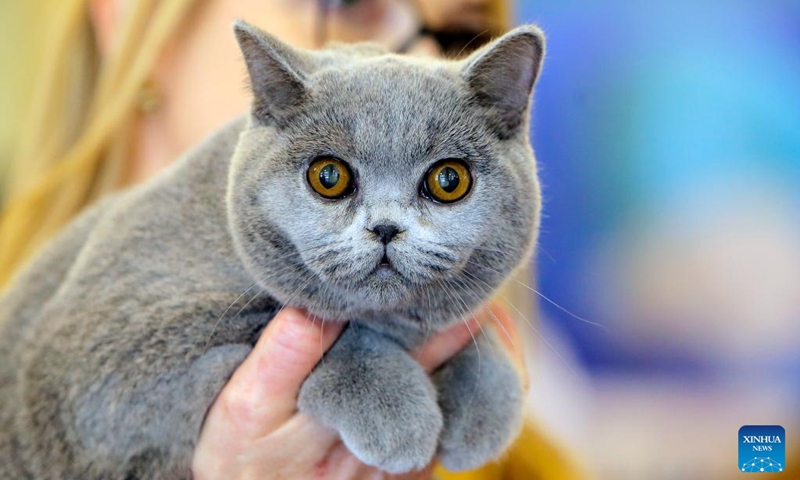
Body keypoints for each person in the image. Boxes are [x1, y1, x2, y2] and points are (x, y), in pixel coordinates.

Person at [0, 1, 587, 478]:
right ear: (132, 19)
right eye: (350, 6)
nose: (422, 59)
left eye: (461, 33)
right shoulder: (88, 309)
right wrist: (339, 368)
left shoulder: (547, 416)